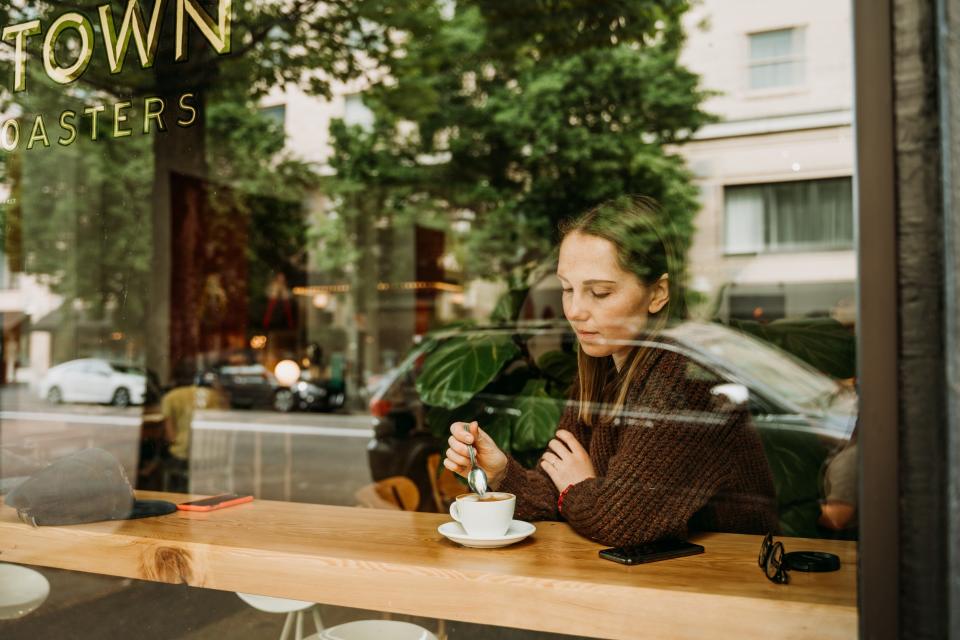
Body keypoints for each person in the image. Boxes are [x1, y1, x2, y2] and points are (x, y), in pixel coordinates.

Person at [444, 196, 778, 546]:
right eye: (567, 289)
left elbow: (622, 524)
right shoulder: (601, 368)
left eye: (600, 293)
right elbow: (558, 496)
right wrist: (501, 472)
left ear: (658, 293)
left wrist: (578, 487)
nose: (574, 310)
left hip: (731, 580)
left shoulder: (683, 380)